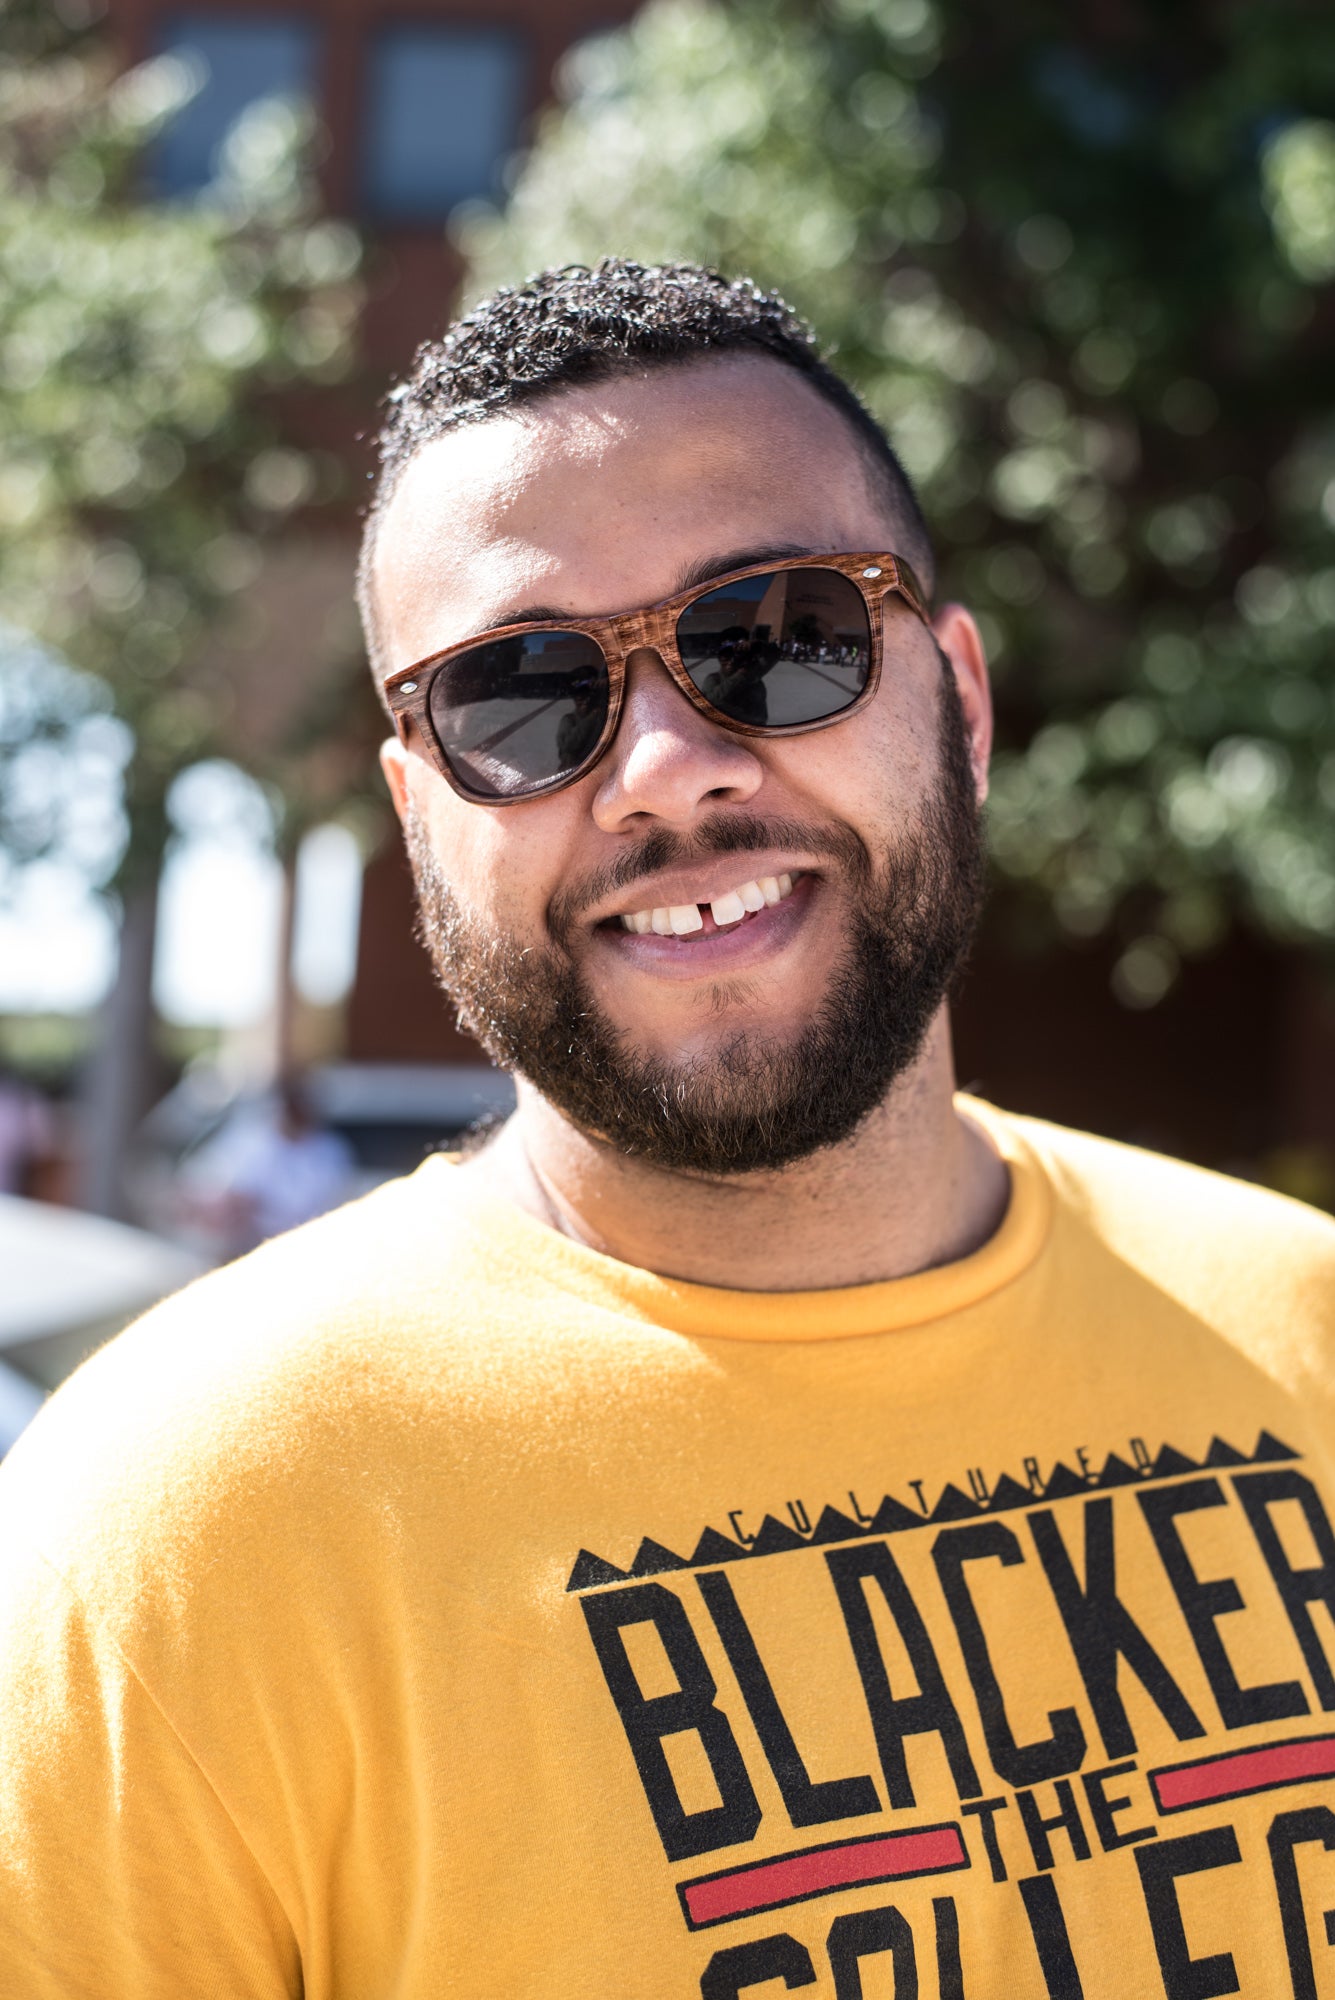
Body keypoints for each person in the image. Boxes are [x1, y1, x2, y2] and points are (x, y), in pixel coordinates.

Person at [0, 260, 1332, 2000]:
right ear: (419, 820)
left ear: (966, 706)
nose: (661, 767)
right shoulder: (168, 1542)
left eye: (778, 637)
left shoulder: (1307, 1330)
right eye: (520, 700)